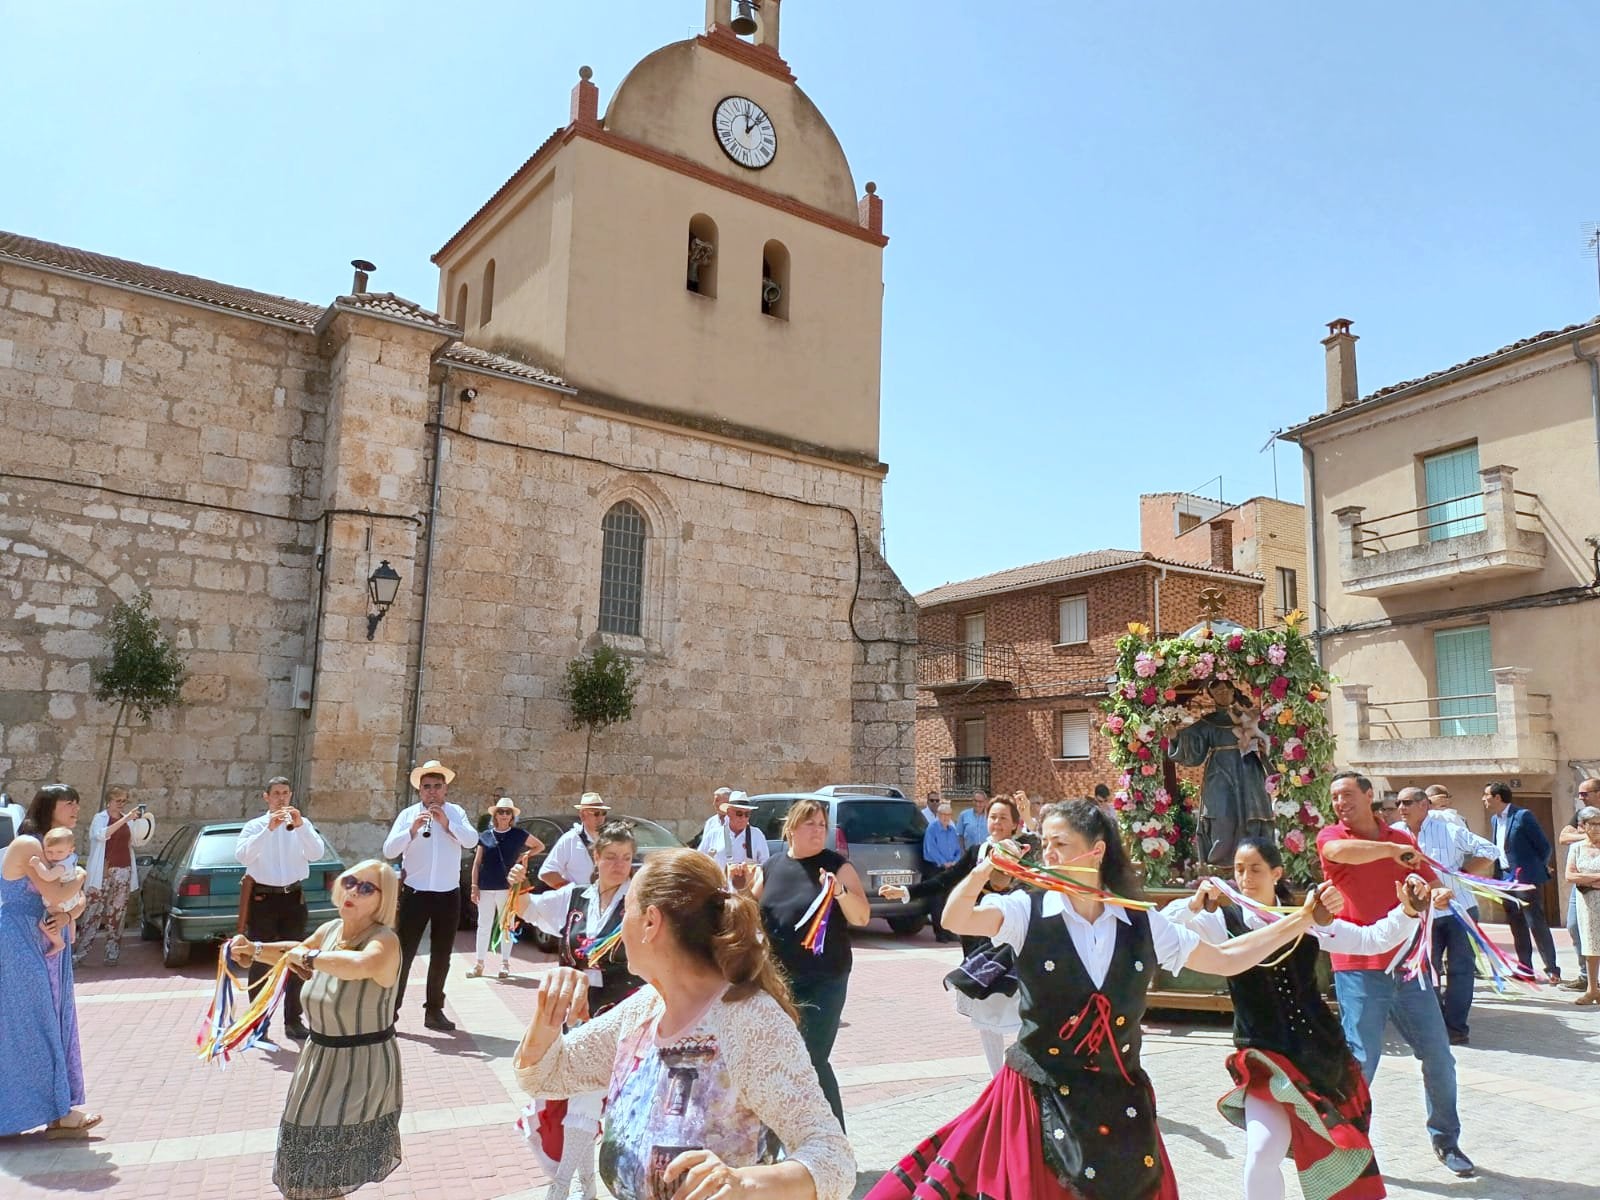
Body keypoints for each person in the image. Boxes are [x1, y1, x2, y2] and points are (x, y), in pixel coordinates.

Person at [866, 800, 1320, 1200]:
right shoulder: (1027, 910)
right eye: (1044, 843)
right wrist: (985, 870)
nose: (1048, 854)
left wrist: (1299, 921)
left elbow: (1225, 958)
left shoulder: (1141, 921)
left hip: (1118, 1094)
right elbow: (957, 915)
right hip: (1038, 1093)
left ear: (1096, 850)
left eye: (1059, 843)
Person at [513, 849, 856, 1200]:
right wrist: (547, 1015)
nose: (619, 925)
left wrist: (743, 1183)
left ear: (650, 922)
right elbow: (544, 1075)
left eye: (626, 909)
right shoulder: (642, 1011)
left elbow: (833, 1158)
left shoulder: (750, 1022)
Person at [1166, 837, 1439, 1200]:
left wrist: (1405, 912)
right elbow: (1161, 929)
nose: (1245, 877)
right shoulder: (1220, 921)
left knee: (1340, 1153)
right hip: (1264, 1057)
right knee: (1263, 1151)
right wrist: (1192, 903)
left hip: (1318, 1056)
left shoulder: (1308, 917)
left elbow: (1370, 940)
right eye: (1238, 869)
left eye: (1255, 869)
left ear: (1276, 873)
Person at [1318, 771, 1474, 1178]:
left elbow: (1433, 888)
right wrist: (1390, 852)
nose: (1340, 802)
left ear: (1370, 796)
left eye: (1348, 794)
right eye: (1335, 796)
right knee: (1361, 1062)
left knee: (1439, 1057)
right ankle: (1347, 1147)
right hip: (1358, 969)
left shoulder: (1403, 843)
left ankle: (1447, 1141)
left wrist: (1436, 894)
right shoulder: (1333, 837)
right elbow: (1342, 853)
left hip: (1409, 967)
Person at [230, 860, 403, 1199]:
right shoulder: (331, 930)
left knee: (320, 1173)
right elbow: (295, 951)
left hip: (361, 1066)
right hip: (319, 1059)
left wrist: (309, 958)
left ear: (383, 899)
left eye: (367, 888)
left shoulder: (385, 941)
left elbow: (360, 965)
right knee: (306, 1166)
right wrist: (254, 949)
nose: (353, 890)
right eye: (351, 882)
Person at [509, 820, 643, 1199]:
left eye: (627, 858)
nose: (619, 865)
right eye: (612, 857)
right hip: (573, 1013)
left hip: (620, 1014)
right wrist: (518, 880)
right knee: (572, 1094)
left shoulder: (638, 903)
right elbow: (525, 908)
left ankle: (562, 1186)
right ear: (595, 858)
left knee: (586, 1096)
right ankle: (584, 1186)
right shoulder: (575, 897)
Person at [882, 795, 1028, 1074]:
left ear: (1013, 825)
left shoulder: (1022, 852)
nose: (996, 822)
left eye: (1003, 818)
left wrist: (1030, 822)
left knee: (1015, 1003)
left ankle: (1022, 1068)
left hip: (1007, 941)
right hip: (975, 940)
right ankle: (996, 1076)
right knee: (983, 1008)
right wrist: (906, 891)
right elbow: (945, 881)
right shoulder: (977, 851)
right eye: (992, 816)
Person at [751, 798, 870, 1130]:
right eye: (811, 824)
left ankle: (835, 1140)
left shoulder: (836, 865)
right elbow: (750, 910)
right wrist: (736, 888)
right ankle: (790, 1135)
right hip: (778, 980)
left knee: (811, 1059)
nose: (819, 831)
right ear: (791, 828)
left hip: (824, 979)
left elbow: (862, 916)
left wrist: (840, 894)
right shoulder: (771, 867)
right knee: (781, 1058)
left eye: (822, 825)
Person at [0, 784, 98, 1138]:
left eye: (77, 801)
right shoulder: (29, 845)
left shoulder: (60, 848)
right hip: (21, 941)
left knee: (55, 1022)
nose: (75, 808)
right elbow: (59, 892)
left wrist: (70, 917)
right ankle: (40, 1110)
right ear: (48, 806)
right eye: (68, 802)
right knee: (31, 1025)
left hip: (46, 939)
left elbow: (79, 902)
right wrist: (83, 876)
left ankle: (59, 1111)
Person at [1391, 787, 1499, 1044]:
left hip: (1459, 908)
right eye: (1398, 803)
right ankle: (1434, 1024)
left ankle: (1456, 1028)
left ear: (1424, 805)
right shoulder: (1394, 834)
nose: (1401, 808)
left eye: (1407, 802)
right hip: (1420, 915)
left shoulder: (1448, 828)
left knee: (1461, 970)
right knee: (1425, 970)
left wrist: (1461, 872)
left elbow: (1490, 850)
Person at [382, 760, 475, 1031]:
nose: (432, 792)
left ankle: (434, 1011)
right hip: (415, 894)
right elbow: (389, 850)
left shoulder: (456, 812)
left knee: (441, 955)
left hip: (448, 895)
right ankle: (391, 1013)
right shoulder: (408, 814)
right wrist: (411, 830)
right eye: (426, 788)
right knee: (404, 955)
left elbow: (471, 841)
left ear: (445, 789)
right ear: (420, 791)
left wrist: (447, 824)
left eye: (437, 786)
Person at [236, 776, 325, 1042]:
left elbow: (317, 854)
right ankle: (258, 1022)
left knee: (298, 958)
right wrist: (269, 830)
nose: (281, 798)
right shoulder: (255, 826)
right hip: (263, 899)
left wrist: (300, 828)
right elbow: (243, 857)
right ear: (266, 797)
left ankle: (293, 1020)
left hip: (293, 898)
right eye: (276, 793)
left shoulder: (302, 824)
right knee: (261, 960)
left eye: (285, 793)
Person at [1171, 680, 1274, 866]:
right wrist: (1175, 737)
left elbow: (1267, 737)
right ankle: (1219, 863)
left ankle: (1254, 860)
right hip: (1219, 773)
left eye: (1226, 690)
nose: (1222, 694)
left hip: (1248, 770)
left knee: (1251, 813)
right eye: (1217, 691)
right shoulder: (1207, 722)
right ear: (1211, 695)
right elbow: (1190, 742)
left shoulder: (1247, 717)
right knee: (1221, 814)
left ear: (1233, 691)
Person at [1484, 781, 1560, 983]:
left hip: (1525, 879)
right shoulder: (1494, 820)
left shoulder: (1522, 816)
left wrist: (1535, 869)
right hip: (1505, 879)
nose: (1484, 799)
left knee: (1536, 922)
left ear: (1498, 797)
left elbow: (1544, 847)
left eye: (1487, 795)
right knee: (1516, 924)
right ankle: (1525, 968)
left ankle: (1552, 969)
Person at [75, 786, 154, 966]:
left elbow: (135, 841)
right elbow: (101, 835)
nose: (121, 804)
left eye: (124, 801)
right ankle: (80, 954)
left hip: (123, 870)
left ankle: (112, 954)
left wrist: (141, 823)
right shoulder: (100, 818)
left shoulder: (128, 821)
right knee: (92, 912)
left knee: (117, 914)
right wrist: (125, 819)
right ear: (109, 802)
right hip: (102, 871)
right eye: (118, 801)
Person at [467, 796, 540, 981]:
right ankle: (479, 963)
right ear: (495, 815)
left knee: (506, 925)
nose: (504, 815)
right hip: (486, 886)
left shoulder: (518, 834)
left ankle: (505, 963)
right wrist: (474, 886)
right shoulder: (485, 836)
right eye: (501, 812)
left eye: (508, 812)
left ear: (512, 816)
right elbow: (477, 863)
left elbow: (539, 845)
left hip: (507, 887)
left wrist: (524, 856)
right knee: (483, 925)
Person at [1559, 778, 1600, 991]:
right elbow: (1563, 837)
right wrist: (1587, 835)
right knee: (1575, 927)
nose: (1581, 797)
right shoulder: (1581, 815)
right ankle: (1587, 978)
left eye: (1585, 794)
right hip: (1582, 888)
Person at [27, 829, 83, 956]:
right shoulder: (71, 858)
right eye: (49, 852)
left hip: (61, 901)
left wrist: (37, 865)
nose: (54, 856)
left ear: (70, 850)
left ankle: (59, 943)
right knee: (70, 917)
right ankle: (72, 936)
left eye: (59, 852)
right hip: (72, 897)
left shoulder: (61, 865)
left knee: (43, 923)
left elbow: (48, 876)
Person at [541, 794, 611, 889]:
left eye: (604, 813)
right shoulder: (570, 840)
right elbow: (547, 873)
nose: (600, 818)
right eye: (596, 813)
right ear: (582, 815)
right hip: (578, 903)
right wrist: (573, 893)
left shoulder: (609, 839)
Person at [920, 801, 962, 943]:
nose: (946, 817)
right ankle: (940, 933)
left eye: (949, 815)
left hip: (950, 868)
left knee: (949, 901)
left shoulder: (951, 829)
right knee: (937, 903)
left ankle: (949, 931)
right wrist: (944, 862)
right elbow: (930, 849)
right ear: (938, 815)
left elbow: (957, 849)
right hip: (936, 868)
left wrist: (955, 861)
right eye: (943, 815)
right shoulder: (932, 828)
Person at [707, 796, 770, 885]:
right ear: (729, 812)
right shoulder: (714, 835)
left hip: (748, 891)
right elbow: (701, 861)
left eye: (747, 814)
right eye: (739, 813)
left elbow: (766, 865)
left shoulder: (757, 835)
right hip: (721, 890)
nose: (743, 818)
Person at [697, 786, 734, 852]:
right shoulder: (711, 822)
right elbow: (704, 847)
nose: (714, 804)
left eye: (717, 800)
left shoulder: (736, 821)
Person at [954, 787, 990, 853]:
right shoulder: (964, 815)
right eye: (975, 801)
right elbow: (959, 836)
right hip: (969, 853)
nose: (977, 804)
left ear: (985, 802)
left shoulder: (990, 816)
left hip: (986, 853)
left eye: (980, 802)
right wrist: (962, 852)